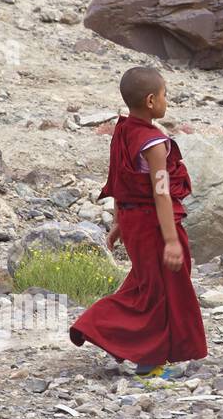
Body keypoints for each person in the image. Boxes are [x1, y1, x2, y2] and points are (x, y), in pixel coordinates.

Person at [70, 66, 206, 378]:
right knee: (157, 291)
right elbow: (161, 194)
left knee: (146, 283)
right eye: (164, 95)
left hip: (132, 222)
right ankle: (142, 357)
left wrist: (118, 223)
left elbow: (120, 179)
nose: (166, 101)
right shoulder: (154, 143)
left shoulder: (123, 131)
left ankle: (141, 347)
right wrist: (171, 241)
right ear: (150, 101)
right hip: (153, 226)